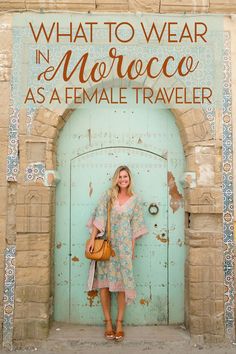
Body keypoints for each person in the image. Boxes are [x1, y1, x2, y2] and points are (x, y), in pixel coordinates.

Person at [86, 165, 148, 341]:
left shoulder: (134, 200)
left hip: (124, 248)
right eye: (120, 177)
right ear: (116, 179)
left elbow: (135, 226)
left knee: (122, 286)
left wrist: (132, 249)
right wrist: (92, 239)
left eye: (125, 176)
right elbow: (99, 217)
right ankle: (107, 322)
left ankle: (119, 323)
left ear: (129, 179)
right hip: (107, 246)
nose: (122, 179)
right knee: (104, 285)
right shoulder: (109, 195)